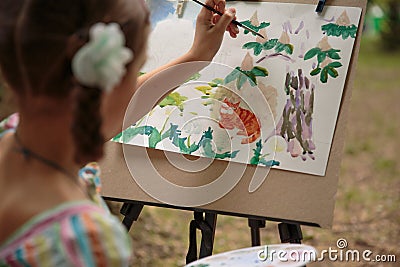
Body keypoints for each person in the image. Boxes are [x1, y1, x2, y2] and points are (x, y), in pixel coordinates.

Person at [0, 0, 238, 266]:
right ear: (106, 83)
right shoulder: (84, 243)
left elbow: (111, 108)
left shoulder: (12, 135)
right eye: (137, 68)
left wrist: (197, 56)